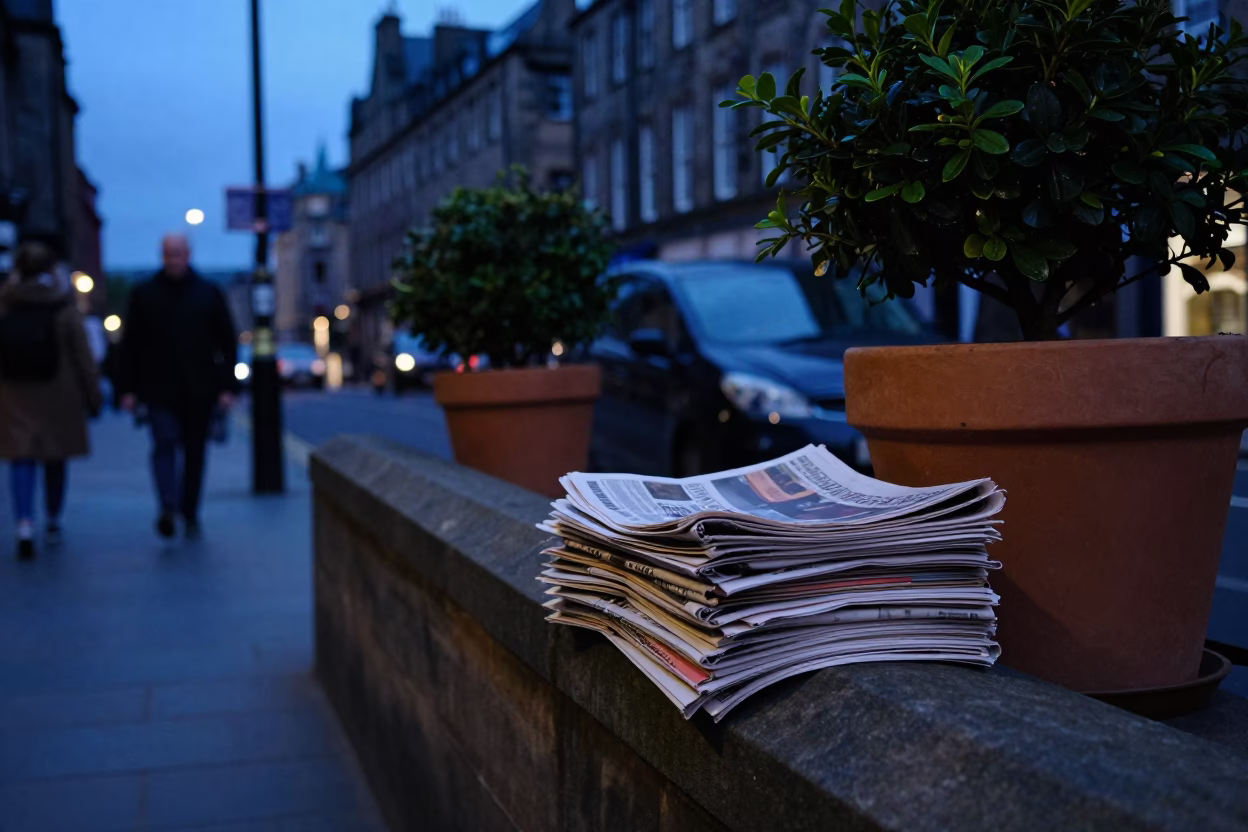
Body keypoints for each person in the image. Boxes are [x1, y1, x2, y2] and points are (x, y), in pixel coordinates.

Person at [117, 234, 238, 539]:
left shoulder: (209, 293)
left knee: (195, 452)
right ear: (162, 255)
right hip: (158, 388)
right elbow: (130, 344)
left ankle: (190, 510)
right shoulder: (144, 294)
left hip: (201, 388)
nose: (174, 260)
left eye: (179, 253)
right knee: (164, 444)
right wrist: (127, 389)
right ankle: (169, 507)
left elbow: (227, 342)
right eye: (170, 254)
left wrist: (227, 388)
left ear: (188, 254)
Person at [0, 241, 102, 559]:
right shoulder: (63, 306)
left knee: (21, 458)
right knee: (55, 458)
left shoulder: (6, 304)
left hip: (14, 391)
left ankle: (24, 524)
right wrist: (94, 397)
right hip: (59, 392)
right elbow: (84, 357)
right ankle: (53, 520)